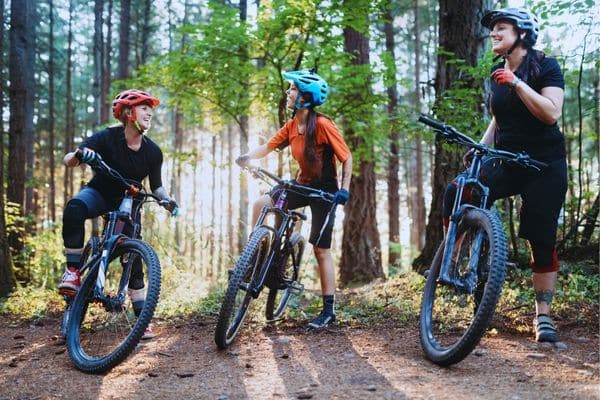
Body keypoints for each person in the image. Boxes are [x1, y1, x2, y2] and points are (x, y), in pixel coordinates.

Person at [443, 8, 567, 342]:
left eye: (501, 28)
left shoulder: (546, 65)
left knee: (541, 240)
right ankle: (452, 264)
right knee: (459, 189)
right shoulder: (499, 70)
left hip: (544, 165)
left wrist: (517, 82)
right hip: (506, 158)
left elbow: (551, 113)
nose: (493, 34)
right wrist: (481, 147)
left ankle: (543, 318)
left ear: (522, 33)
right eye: (492, 29)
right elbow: (500, 118)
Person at [237, 70, 353, 329]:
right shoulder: (291, 126)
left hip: (325, 191)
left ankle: (328, 311)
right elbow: (267, 146)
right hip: (302, 184)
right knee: (261, 204)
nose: (288, 93)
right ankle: (257, 258)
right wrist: (247, 157)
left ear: (305, 97)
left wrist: (343, 189)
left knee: (321, 250)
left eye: (292, 89)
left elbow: (347, 157)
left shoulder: (322, 125)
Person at [59, 89, 178, 339]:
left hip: (130, 203)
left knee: (133, 255)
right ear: (127, 112)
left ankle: (141, 318)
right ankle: (73, 272)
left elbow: (156, 185)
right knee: (74, 209)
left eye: (151, 109)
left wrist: (166, 199)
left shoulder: (153, 152)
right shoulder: (106, 138)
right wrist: (79, 155)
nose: (149, 113)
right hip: (101, 193)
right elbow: (69, 158)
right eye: (144, 108)